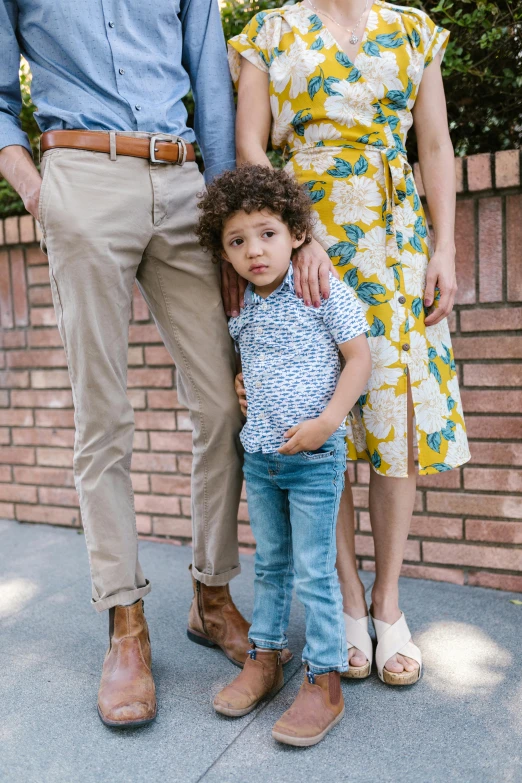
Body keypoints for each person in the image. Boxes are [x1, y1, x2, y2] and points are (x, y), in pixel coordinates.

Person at [0, 0, 252, 728]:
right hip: (78, 178)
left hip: (181, 184)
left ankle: (211, 594)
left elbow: (210, 77)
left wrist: (223, 203)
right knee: (103, 416)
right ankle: (126, 623)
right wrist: (37, 190)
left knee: (224, 404)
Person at [226, 0, 471, 685]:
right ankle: (347, 600)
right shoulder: (268, 33)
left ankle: (388, 603)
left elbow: (433, 146)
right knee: (317, 416)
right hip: (304, 245)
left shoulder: (413, 29)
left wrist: (445, 246)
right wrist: (304, 237)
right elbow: (252, 149)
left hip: (394, 242)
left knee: (395, 420)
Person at [197, 164, 371, 746]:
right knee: (271, 565)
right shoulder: (240, 304)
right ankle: (265, 659)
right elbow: (257, 364)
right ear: (224, 253)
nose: (255, 250)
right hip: (261, 461)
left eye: (267, 233)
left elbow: (360, 360)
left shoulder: (320, 288)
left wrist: (328, 422)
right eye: (237, 241)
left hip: (315, 461)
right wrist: (245, 385)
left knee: (316, 574)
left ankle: (324, 680)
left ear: (296, 232)